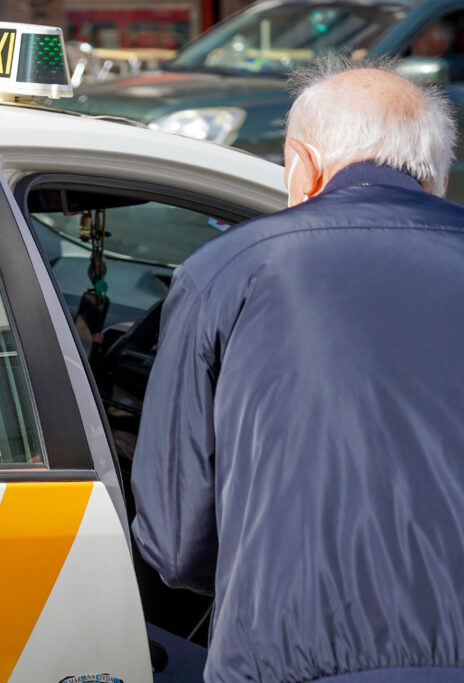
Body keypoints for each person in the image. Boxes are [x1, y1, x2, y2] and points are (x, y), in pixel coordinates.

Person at [130, 57, 464, 682]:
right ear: (436, 175)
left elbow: (175, 541)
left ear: (301, 164)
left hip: (286, 656)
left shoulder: (230, 269)